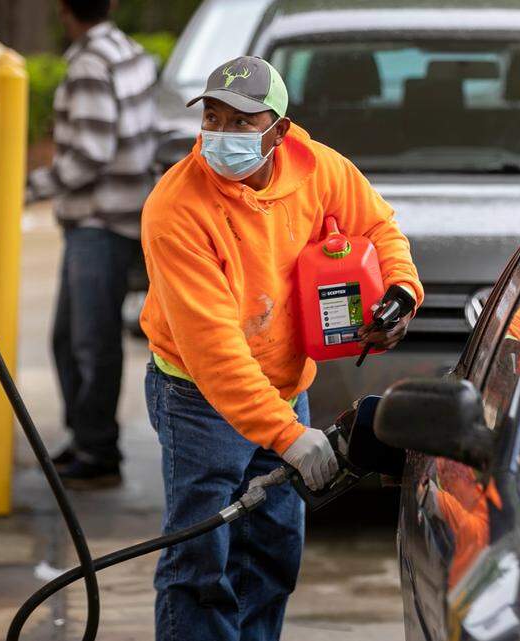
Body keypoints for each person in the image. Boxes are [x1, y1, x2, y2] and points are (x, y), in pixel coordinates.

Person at [139, 56, 423, 640]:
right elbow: (214, 351)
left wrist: (401, 292)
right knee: (200, 561)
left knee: (272, 552)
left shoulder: (317, 168)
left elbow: (378, 227)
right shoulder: (176, 209)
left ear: (279, 131)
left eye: (244, 122)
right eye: (213, 118)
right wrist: (289, 436)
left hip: (285, 385)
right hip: (198, 400)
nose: (223, 135)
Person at [26, 0, 158, 488]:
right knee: (73, 339)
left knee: (90, 342)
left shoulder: (88, 63)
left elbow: (90, 153)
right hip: (122, 215)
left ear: (64, 10)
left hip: (99, 222)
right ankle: (87, 439)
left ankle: (98, 451)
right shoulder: (131, 52)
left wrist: (28, 188)